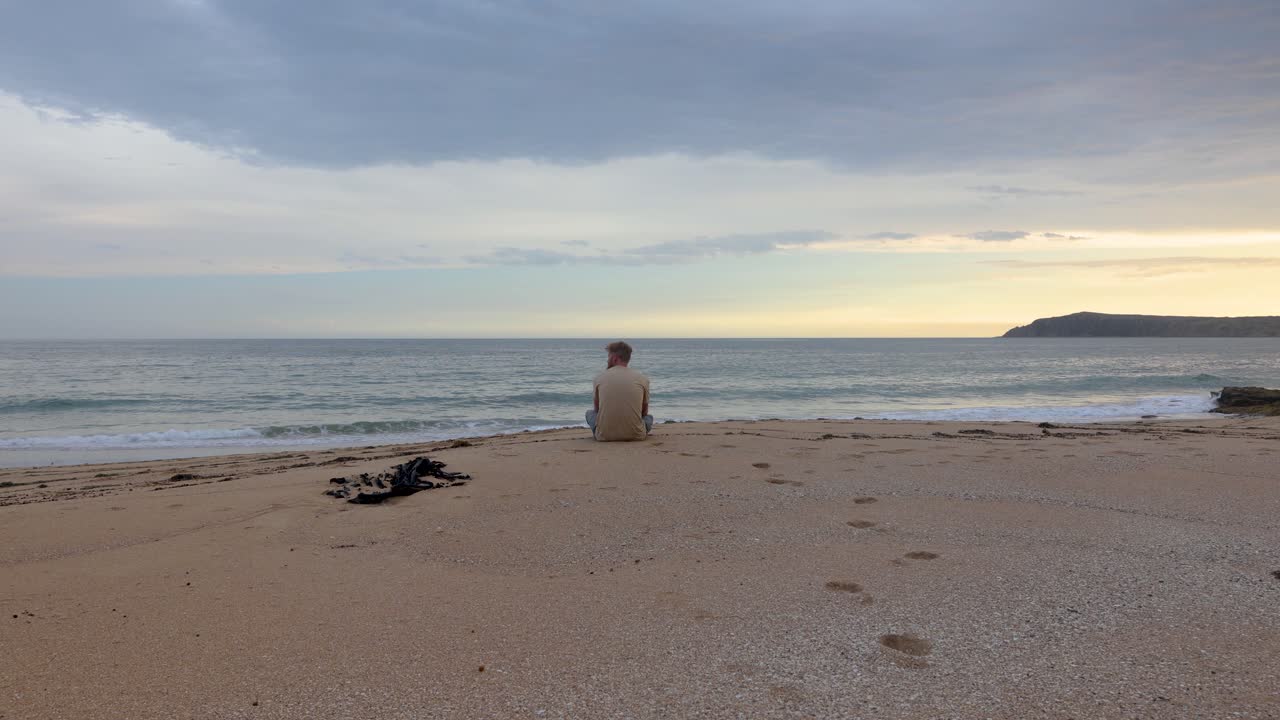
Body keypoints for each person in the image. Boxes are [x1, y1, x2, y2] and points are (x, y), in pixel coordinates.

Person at [586, 341, 653, 441]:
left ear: (614, 358)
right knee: (649, 417)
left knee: (589, 413)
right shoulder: (642, 379)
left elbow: (597, 410)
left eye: (608, 357)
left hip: (604, 436)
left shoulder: (599, 378)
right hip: (637, 435)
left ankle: (604, 431)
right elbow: (644, 412)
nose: (607, 360)